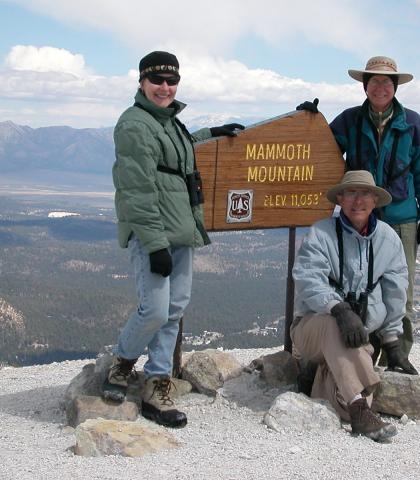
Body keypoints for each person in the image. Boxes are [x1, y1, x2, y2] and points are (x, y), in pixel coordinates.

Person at [102, 51, 243, 428]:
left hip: (180, 229)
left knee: (174, 308)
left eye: (171, 81)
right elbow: (138, 190)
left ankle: (157, 382)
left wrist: (212, 134)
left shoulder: (168, 121)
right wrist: (154, 243)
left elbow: (177, 152)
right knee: (156, 309)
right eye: (157, 80)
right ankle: (121, 363)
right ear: (141, 83)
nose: (165, 87)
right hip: (156, 233)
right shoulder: (134, 124)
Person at [297, 56, 420, 360]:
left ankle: (396, 360)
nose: (380, 87)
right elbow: (322, 149)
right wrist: (309, 123)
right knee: (358, 289)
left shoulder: (412, 123)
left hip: (401, 219)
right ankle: (361, 359)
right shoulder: (350, 119)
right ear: (365, 85)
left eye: (387, 81)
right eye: (374, 81)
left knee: (401, 293)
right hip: (359, 218)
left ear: (396, 87)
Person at [291, 170, 418, 443]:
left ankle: (319, 380)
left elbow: (395, 293)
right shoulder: (320, 234)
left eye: (365, 194)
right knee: (330, 326)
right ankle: (360, 411)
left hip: (358, 340)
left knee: (340, 407)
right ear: (340, 199)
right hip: (312, 330)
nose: (358, 200)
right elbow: (308, 279)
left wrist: (393, 343)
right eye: (351, 193)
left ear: (375, 200)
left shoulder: (388, 240)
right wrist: (339, 309)